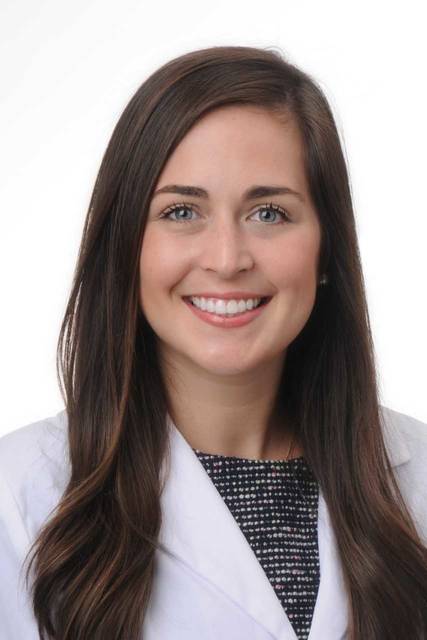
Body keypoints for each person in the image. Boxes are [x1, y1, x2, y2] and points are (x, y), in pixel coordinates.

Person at [0, 45, 426, 640]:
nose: (227, 260)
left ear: (327, 249)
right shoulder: (20, 495)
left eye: (269, 213)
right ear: (126, 243)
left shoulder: (418, 476)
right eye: (181, 211)